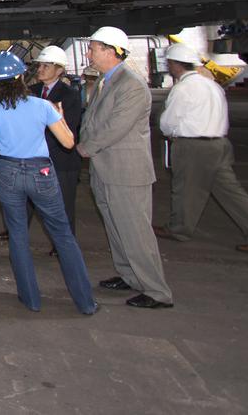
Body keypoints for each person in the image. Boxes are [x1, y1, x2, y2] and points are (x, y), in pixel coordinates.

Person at [0, 50, 98, 315]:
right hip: (40, 173)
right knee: (62, 234)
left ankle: (31, 298)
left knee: (18, 235)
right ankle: (85, 302)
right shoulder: (42, 105)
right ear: (21, 75)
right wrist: (61, 117)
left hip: (7, 172)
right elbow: (68, 143)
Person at [79, 25, 173, 309]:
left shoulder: (131, 85)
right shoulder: (106, 81)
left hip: (125, 172)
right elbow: (92, 120)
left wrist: (84, 148)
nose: (89, 53)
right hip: (105, 169)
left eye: (93, 49)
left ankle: (157, 291)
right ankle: (129, 275)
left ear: (110, 51)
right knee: (116, 228)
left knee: (135, 233)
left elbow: (115, 127)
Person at [154, 43, 248, 252]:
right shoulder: (213, 85)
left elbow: (168, 122)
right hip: (219, 145)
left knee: (185, 190)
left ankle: (178, 229)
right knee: (232, 193)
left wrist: (168, 130)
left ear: (175, 65)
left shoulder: (182, 89)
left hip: (193, 147)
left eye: (170, 63)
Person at [0, 45, 84, 246]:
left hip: (60, 160)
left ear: (59, 70)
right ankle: (15, 232)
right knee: (24, 201)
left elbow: (68, 128)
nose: (40, 69)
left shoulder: (69, 95)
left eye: (45, 65)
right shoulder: (30, 92)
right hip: (31, 160)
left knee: (63, 204)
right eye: (39, 65)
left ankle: (63, 244)